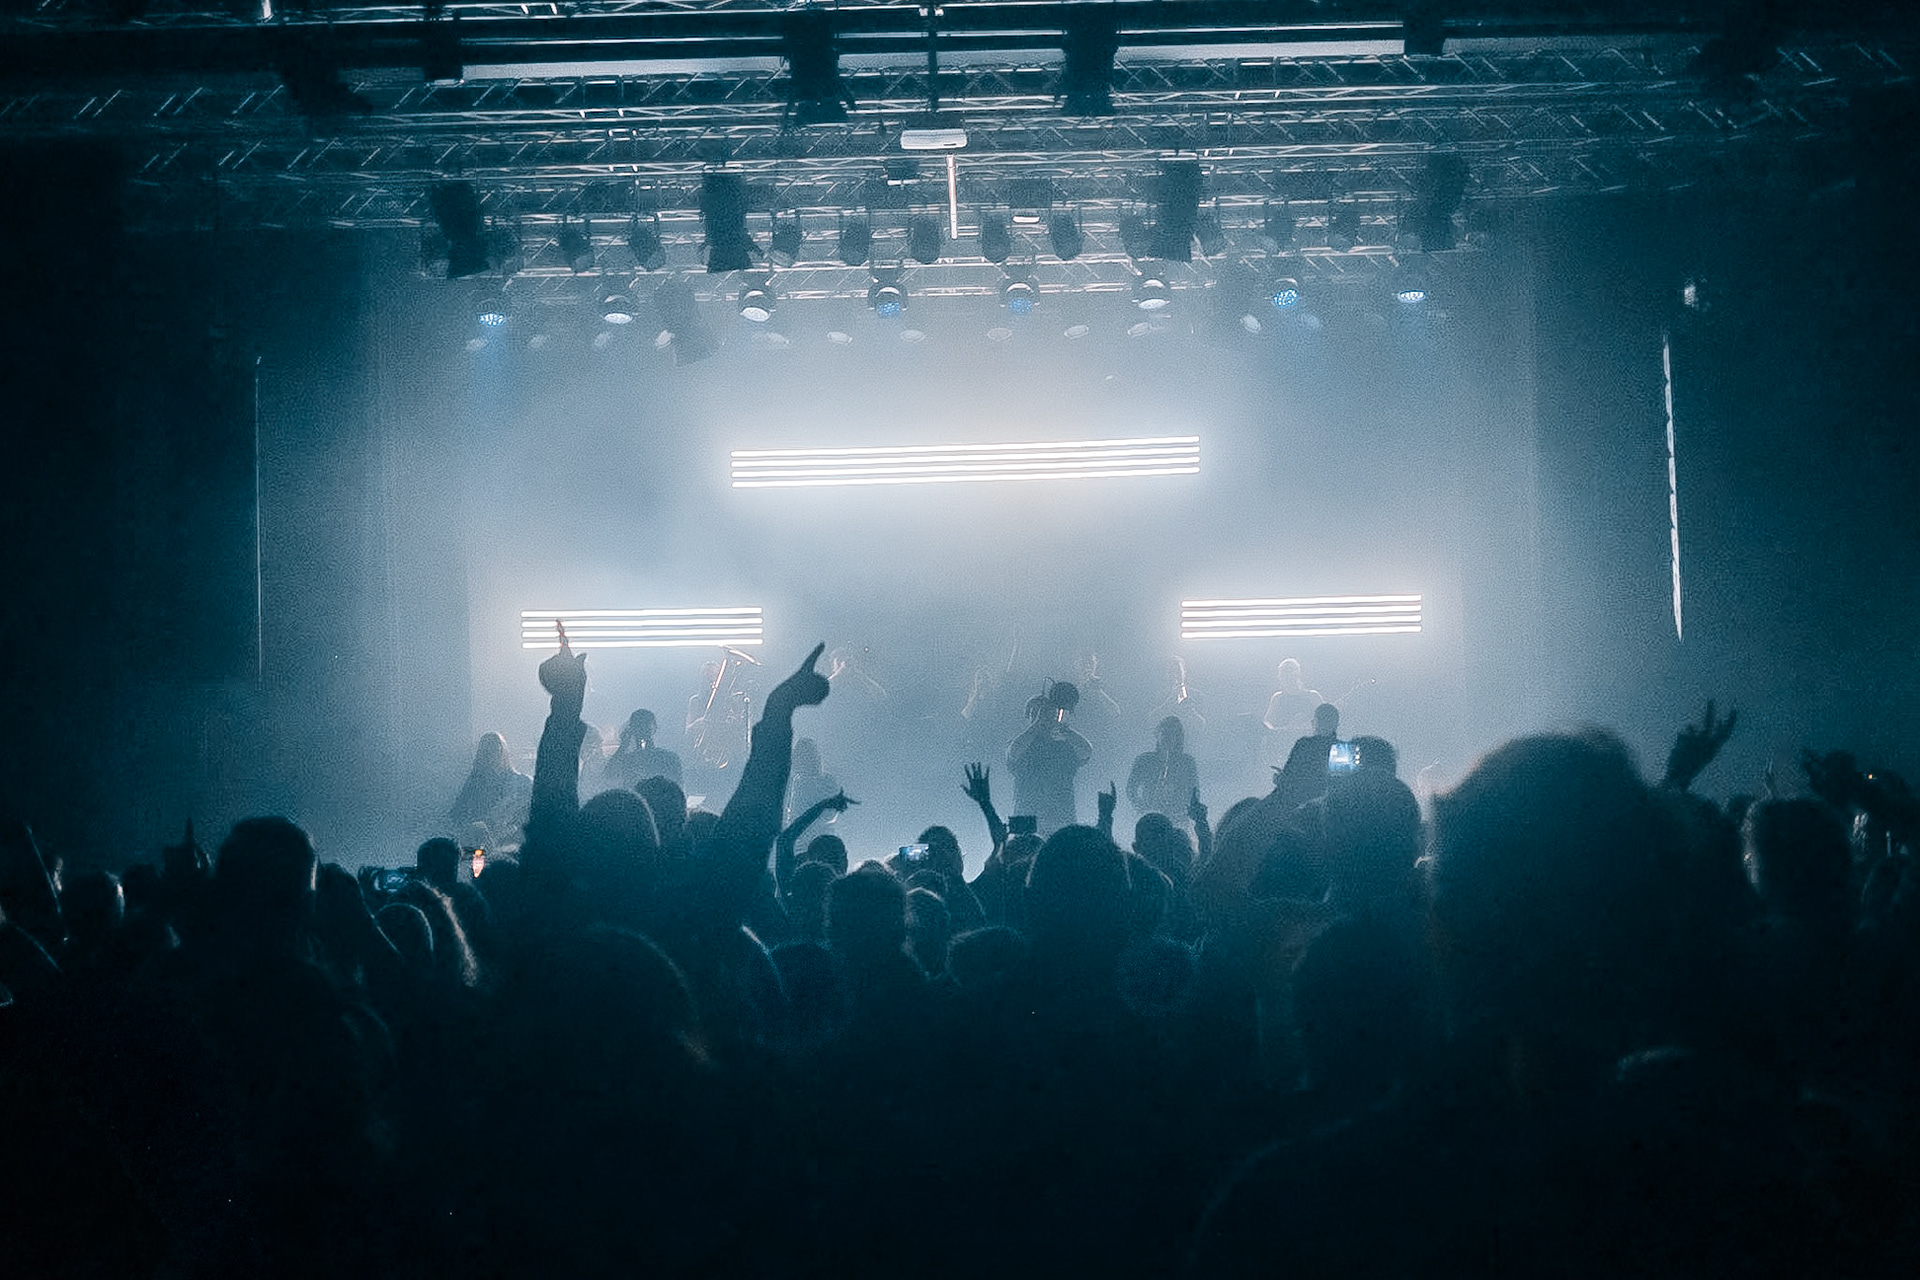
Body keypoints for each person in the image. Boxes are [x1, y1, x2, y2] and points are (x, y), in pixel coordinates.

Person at [1005, 681, 1093, 834]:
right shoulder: (1020, 744)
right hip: (1025, 817)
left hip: (1060, 817)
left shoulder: (1065, 746)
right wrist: (1037, 725)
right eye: (1037, 713)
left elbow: (1087, 751)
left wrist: (1065, 730)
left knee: (1062, 849)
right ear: (1028, 717)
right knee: (1022, 849)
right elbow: (1013, 753)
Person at [448, 732, 532, 848]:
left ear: (504, 752)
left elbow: (529, 818)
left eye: (496, 749)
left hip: (512, 846)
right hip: (478, 846)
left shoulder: (523, 783)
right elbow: (458, 816)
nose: (492, 755)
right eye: (487, 751)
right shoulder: (473, 786)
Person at [1126, 716, 1200, 823]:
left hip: (1178, 819)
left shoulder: (1187, 763)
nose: (1169, 738)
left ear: (1179, 737)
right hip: (1151, 819)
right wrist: (1142, 808)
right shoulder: (1144, 760)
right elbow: (1131, 789)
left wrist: (1184, 811)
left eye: (1174, 734)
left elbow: (1195, 792)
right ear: (1157, 734)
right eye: (1165, 733)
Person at [1272, 703, 1342, 811]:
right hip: (1333, 808)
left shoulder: (1303, 745)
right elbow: (1344, 783)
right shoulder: (1342, 749)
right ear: (1337, 724)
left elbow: (1288, 780)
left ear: (1314, 723)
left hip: (1299, 807)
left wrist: (1279, 779)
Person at [602, 708, 683, 789]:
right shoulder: (669, 757)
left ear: (631, 730)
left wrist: (623, 746)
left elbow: (607, 775)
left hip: (635, 796)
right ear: (654, 728)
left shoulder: (627, 761)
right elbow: (679, 785)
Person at [1262, 658, 1323, 737]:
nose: (1287, 677)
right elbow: (1267, 721)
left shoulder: (1312, 696)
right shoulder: (1277, 698)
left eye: (1289, 672)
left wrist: (1308, 725)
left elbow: (1327, 717)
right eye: (1283, 673)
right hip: (1284, 739)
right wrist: (1276, 732)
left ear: (1297, 674)